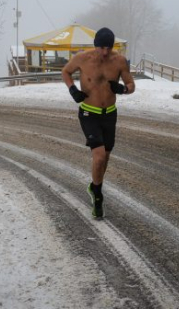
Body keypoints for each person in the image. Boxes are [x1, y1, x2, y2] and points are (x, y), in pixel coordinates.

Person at [61, 27, 135, 218]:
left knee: (105, 158)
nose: (105, 52)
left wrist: (123, 89)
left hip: (110, 114)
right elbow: (66, 72)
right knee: (99, 156)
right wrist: (73, 90)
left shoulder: (119, 61)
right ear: (95, 46)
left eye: (108, 48)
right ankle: (99, 197)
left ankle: (95, 187)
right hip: (88, 113)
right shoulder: (82, 58)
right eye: (102, 48)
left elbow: (131, 85)